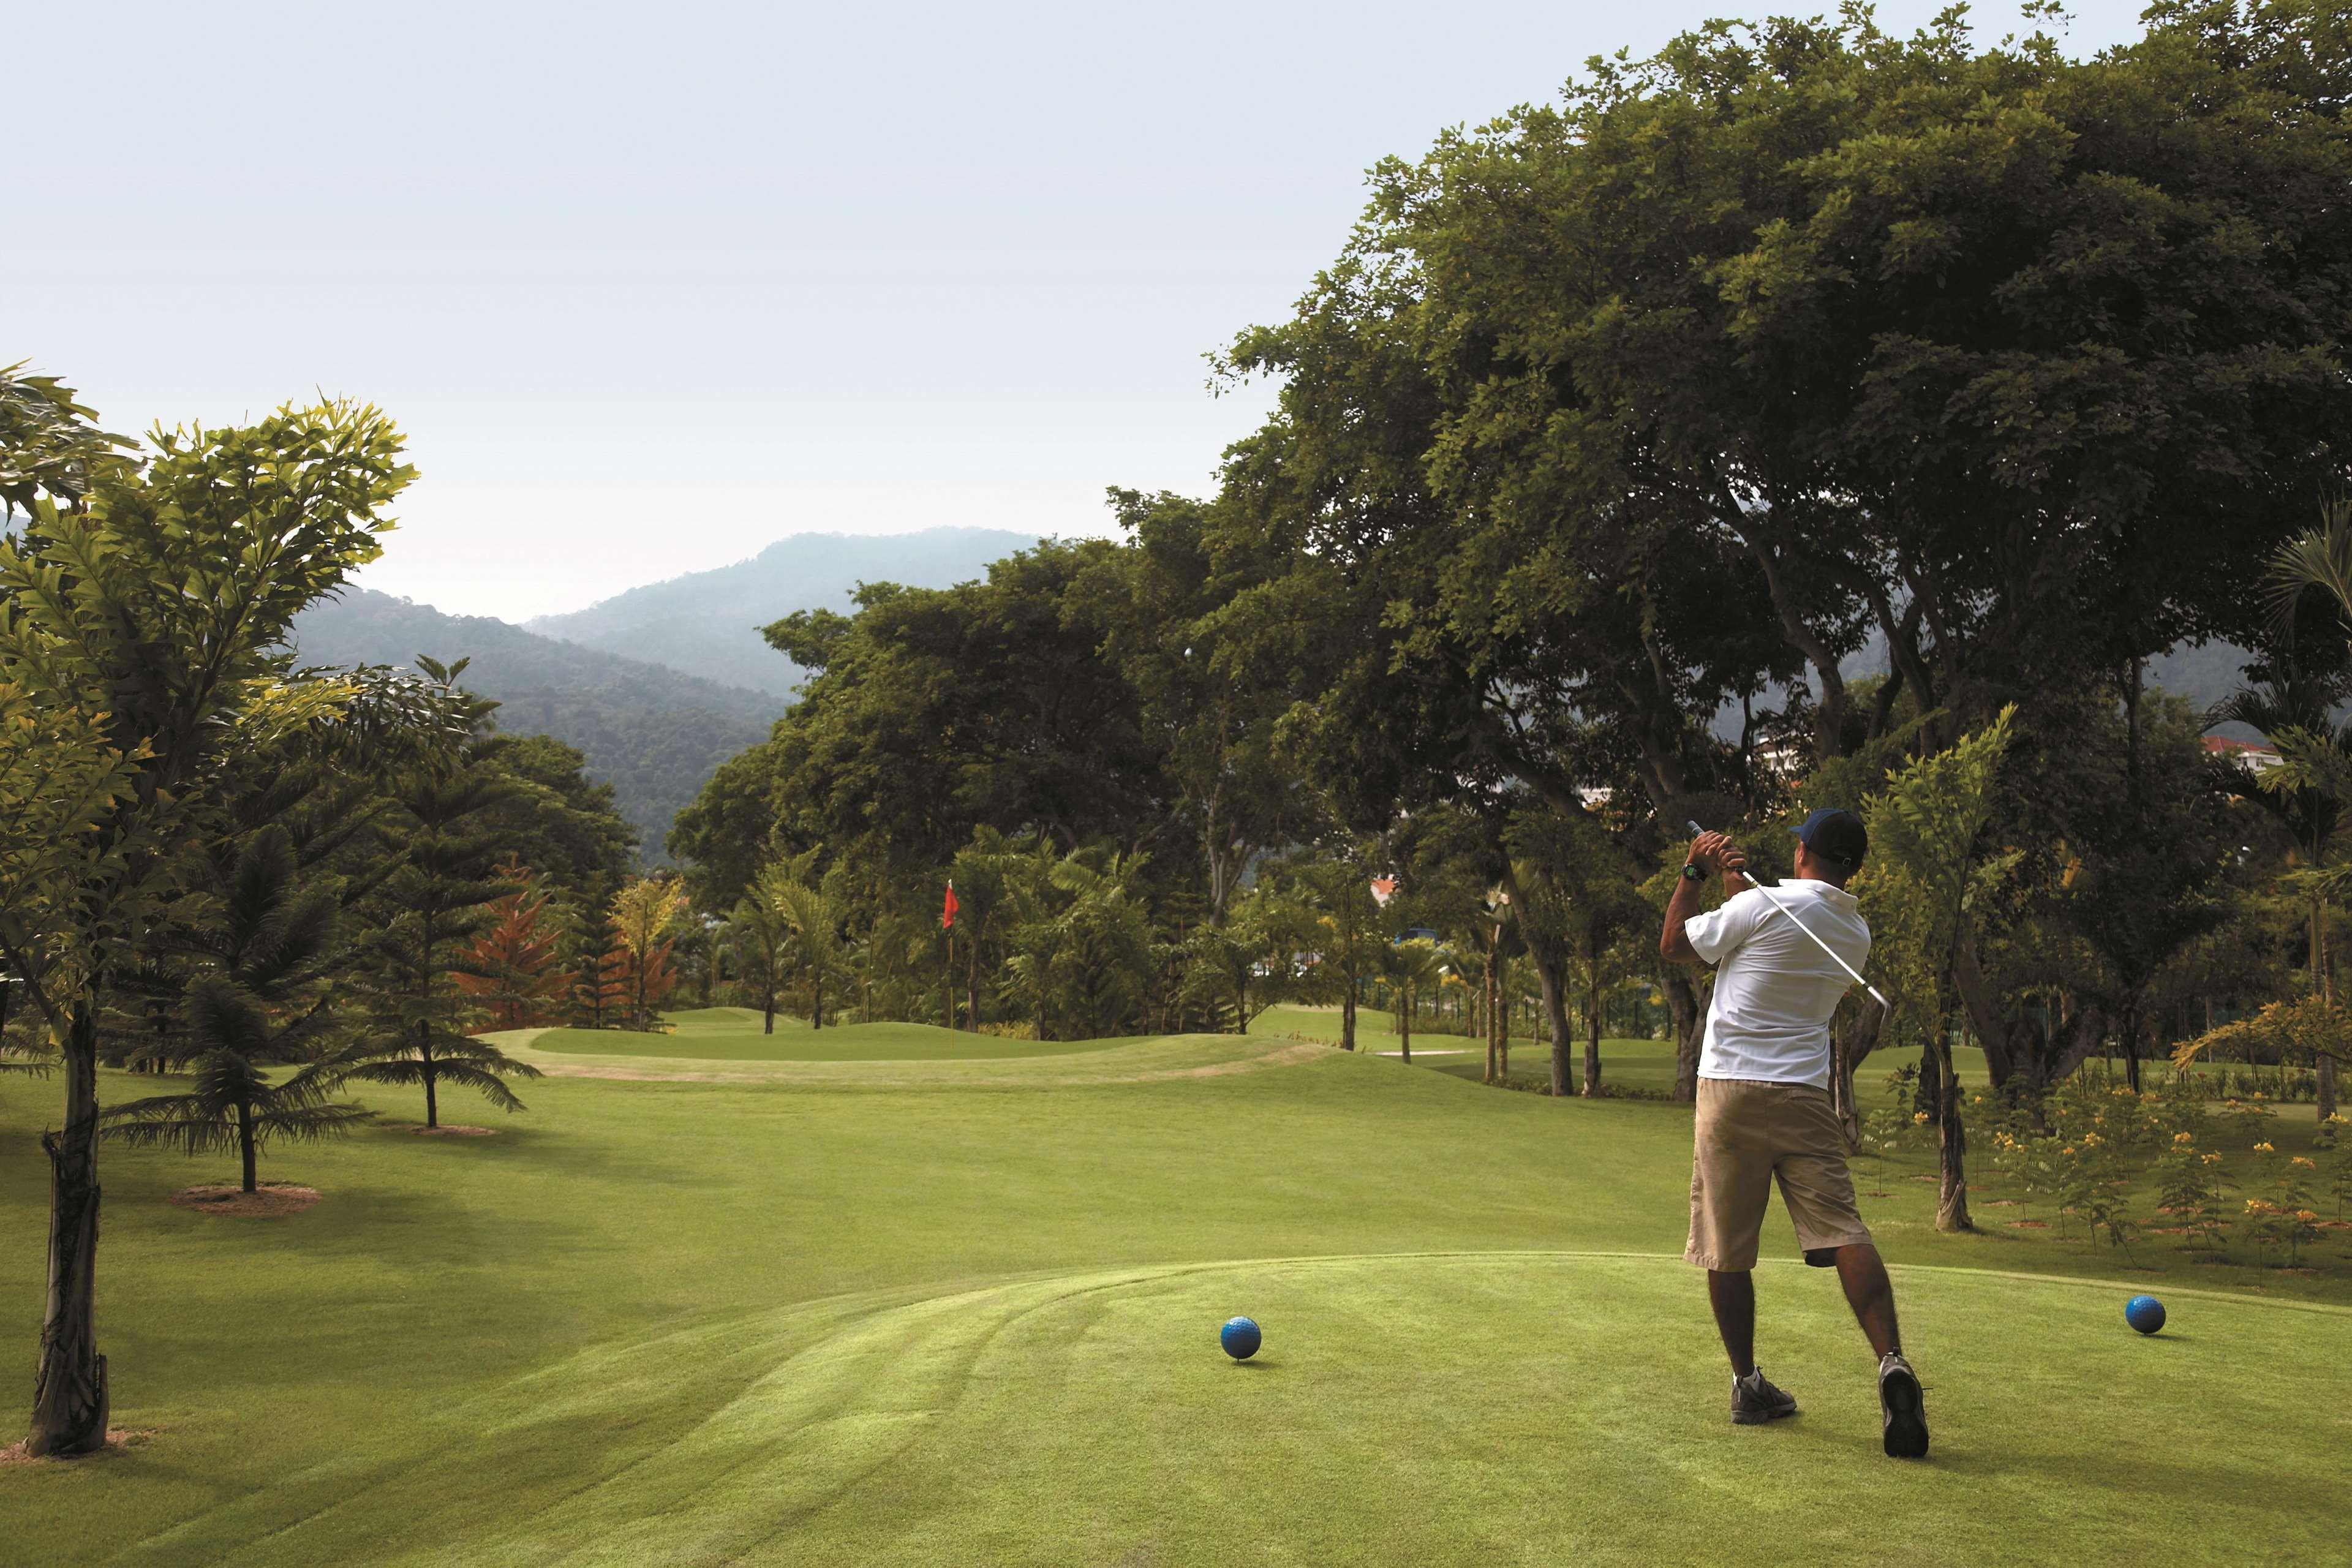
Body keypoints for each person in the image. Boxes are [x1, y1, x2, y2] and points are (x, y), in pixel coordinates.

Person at [1659, 809, 1928, 1459]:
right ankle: (1891, 1361)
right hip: (1805, 1095)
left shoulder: (1767, 906)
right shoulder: (1851, 931)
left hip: (1730, 1091)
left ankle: (1748, 1384)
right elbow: (1754, 940)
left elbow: (1677, 947)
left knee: (1727, 1247)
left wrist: (1695, 870)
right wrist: (1738, 882)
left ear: (1803, 851)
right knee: (1844, 1231)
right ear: (1852, 866)